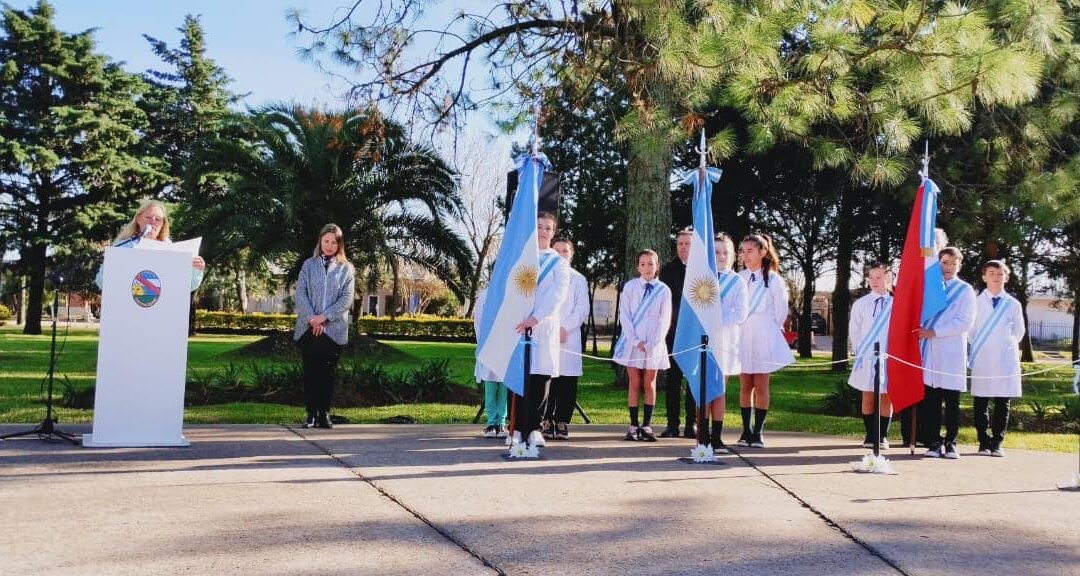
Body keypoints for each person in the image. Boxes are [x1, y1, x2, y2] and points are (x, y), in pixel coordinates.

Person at [510, 212, 570, 448]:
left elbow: (558, 294)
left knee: (540, 377)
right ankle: (516, 426)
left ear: (553, 232)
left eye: (548, 228)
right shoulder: (523, 257)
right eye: (540, 227)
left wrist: (536, 318)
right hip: (519, 325)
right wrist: (521, 317)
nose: (544, 231)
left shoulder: (559, 262)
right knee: (519, 376)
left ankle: (534, 427)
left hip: (544, 326)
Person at [292, 224, 356, 429]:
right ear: (320, 241)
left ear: (340, 244)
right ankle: (311, 414)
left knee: (327, 374)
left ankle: (324, 413)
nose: (329, 245)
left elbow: (346, 299)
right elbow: (300, 293)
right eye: (326, 241)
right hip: (308, 329)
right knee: (310, 372)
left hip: (333, 330)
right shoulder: (308, 265)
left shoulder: (346, 269)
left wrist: (324, 318)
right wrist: (313, 318)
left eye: (334, 242)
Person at [918, 247, 976, 459]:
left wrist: (935, 331)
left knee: (952, 401)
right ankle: (933, 442)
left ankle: (951, 442)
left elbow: (965, 322)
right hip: (930, 351)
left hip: (952, 350)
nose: (949, 267)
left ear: (959, 265)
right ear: (938, 263)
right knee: (931, 401)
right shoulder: (929, 288)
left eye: (953, 263)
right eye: (944, 262)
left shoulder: (965, 290)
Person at [737, 232, 793, 448]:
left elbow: (780, 311)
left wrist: (767, 329)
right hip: (743, 334)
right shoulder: (740, 278)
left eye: (750, 251)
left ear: (762, 252)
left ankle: (758, 432)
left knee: (761, 384)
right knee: (745, 384)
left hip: (764, 334)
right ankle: (745, 430)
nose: (745, 255)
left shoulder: (774, 280)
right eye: (743, 251)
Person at [614, 249, 672, 442]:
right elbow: (625, 315)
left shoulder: (663, 290)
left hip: (653, 342)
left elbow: (665, 319)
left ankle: (646, 425)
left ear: (657, 266)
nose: (647, 268)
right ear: (638, 266)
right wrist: (635, 340)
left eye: (651, 264)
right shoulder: (630, 287)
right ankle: (633, 425)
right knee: (634, 383)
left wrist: (653, 342)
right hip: (634, 341)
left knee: (649, 382)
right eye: (643, 264)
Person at [969, 260, 1026, 457]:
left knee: (1003, 401)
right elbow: (970, 330)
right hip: (982, 357)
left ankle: (997, 442)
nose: (996, 277)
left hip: (1005, 359)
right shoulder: (975, 302)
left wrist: (1005, 344)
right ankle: (983, 441)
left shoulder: (1013, 304)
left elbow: (1019, 331)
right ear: (984, 277)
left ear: (1006, 277)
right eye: (991, 273)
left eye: (1000, 274)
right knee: (981, 401)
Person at [94, 199, 206, 291]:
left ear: (162, 224)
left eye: (158, 219)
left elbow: (188, 286)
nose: (153, 222)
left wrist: (196, 270)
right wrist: (109, 266)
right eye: (148, 218)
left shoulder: (173, 250)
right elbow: (101, 283)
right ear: (138, 219)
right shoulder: (123, 247)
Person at [543, 237, 589, 441]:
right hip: (547, 334)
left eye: (565, 251)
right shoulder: (545, 275)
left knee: (567, 382)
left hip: (568, 337)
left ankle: (562, 421)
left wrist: (565, 328)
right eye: (558, 250)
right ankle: (545, 420)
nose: (561, 254)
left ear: (572, 254)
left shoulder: (578, 279)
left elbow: (582, 309)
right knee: (547, 378)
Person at [708, 233, 748, 454]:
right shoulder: (703, 279)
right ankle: (702, 434)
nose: (721, 256)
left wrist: (718, 321)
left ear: (733, 256)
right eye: (716, 252)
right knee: (703, 389)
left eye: (725, 252)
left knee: (719, 389)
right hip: (703, 341)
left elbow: (740, 313)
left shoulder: (738, 282)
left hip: (725, 340)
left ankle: (716, 437)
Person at [848, 262, 895, 448]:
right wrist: (859, 352)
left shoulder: (896, 303)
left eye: (879, 277)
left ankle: (882, 435)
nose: (875, 281)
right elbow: (856, 330)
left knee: (886, 396)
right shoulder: (861, 304)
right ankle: (870, 434)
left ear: (889, 279)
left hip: (888, 355)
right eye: (871, 278)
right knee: (867, 395)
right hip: (867, 356)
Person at [659, 229, 696, 438]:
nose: (682, 247)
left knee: (692, 381)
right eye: (680, 244)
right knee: (673, 381)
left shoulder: (702, 269)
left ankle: (692, 424)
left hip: (694, 335)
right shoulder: (668, 270)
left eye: (687, 244)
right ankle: (672, 424)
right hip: (673, 333)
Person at [473, 287, 507, 438]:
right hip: (489, 345)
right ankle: (491, 422)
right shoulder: (485, 294)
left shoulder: (513, 292)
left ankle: (501, 422)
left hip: (506, 347)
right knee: (491, 385)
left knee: (505, 386)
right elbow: (478, 320)